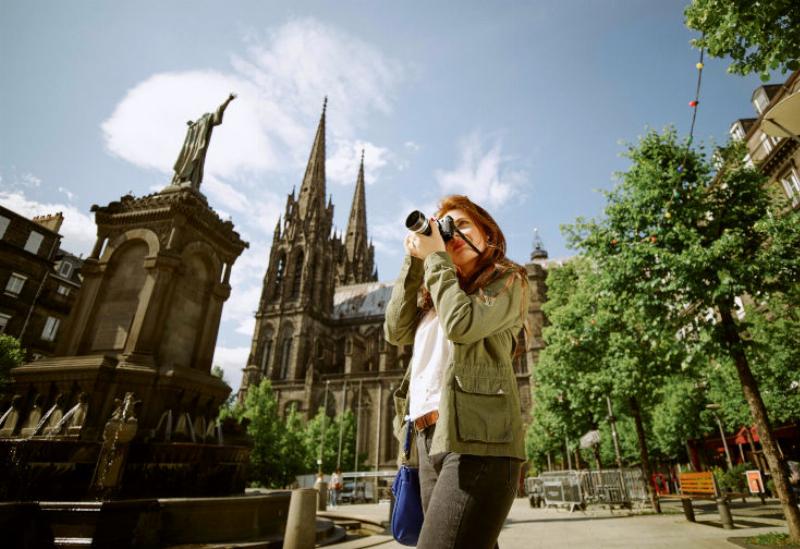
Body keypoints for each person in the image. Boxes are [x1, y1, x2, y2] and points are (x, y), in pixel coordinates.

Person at [384, 195, 529, 549]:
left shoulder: (508, 280)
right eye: (446, 228)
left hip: (479, 442)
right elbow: (394, 331)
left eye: (462, 224)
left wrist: (436, 259)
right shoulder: (439, 291)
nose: (452, 233)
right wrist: (415, 260)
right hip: (426, 436)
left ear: (488, 233)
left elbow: (461, 324)